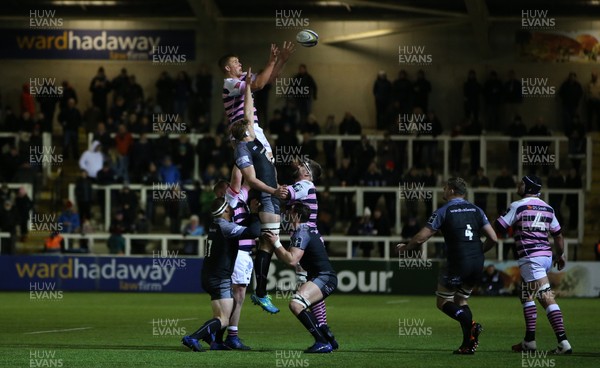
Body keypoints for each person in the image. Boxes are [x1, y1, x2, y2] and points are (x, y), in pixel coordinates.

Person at [397, 177, 498, 354]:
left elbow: (422, 237)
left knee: (443, 301)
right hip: (477, 261)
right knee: (462, 300)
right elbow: (493, 238)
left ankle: (471, 325)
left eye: (444, 188)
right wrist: (479, 251)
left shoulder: (444, 210)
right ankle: (468, 344)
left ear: (451, 190)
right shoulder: (476, 210)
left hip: (458, 262)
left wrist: (406, 247)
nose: (443, 191)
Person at [493, 175, 572, 354]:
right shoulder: (548, 208)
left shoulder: (517, 205)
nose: (518, 185)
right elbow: (558, 235)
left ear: (527, 188)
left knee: (546, 297)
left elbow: (499, 226)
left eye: (521, 183)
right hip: (545, 256)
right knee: (526, 294)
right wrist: (561, 255)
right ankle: (529, 341)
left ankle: (563, 342)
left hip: (531, 257)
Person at [230, 70, 287, 314]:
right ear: (245, 133)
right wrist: (273, 191)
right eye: (250, 127)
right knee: (272, 242)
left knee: (267, 241)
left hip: (271, 196)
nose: (253, 126)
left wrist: (250, 88)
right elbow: (251, 180)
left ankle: (261, 291)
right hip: (266, 196)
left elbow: (248, 109)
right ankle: (262, 291)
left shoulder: (252, 140)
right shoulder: (243, 149)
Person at [181, 197, 260, 352]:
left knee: (221, 314)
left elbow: (239, 228)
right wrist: (256, 214)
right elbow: (254, 232)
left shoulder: (215, 225)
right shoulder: (226, 227)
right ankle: (193, 337)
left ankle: (215, 341)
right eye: (229, 208)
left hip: (209, 275)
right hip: (219, 277)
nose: (231, 210)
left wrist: (250, 214)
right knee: (224, 318)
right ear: (224, 211)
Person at [264, 203, 338, 353]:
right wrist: (275, 244)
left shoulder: (301, 231)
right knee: (304, 305)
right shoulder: (306, 229)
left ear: (296, 215)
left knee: (296, 305)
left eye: (289, 212)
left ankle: (322, 341)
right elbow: (288, 258)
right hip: (320, 277)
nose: (286, 215)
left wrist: (276, 242)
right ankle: (326, 338)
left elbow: (291, 260)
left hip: (324, 277)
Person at [213, 180, 256, 350]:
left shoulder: (239, 199)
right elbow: (240, 180)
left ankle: (220, 335)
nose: (234, 189)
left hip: (244, 253)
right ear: (222, 195)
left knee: (237, 296)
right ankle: (229, 336)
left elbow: (248, 183)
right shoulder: (230, 201)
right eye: (229, 189)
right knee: (237, 295)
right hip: (239, 253)